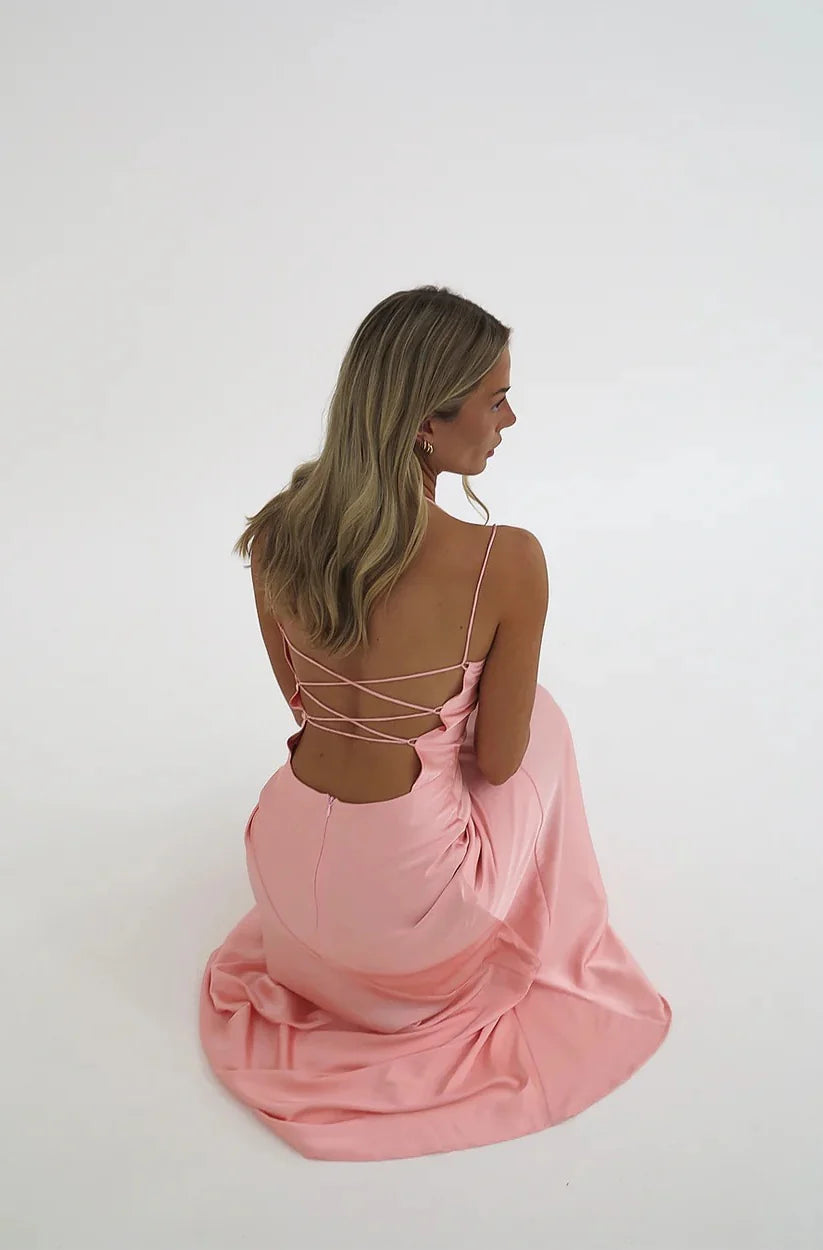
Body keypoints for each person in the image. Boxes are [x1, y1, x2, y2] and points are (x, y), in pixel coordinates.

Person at [199, 284, 672, 1161]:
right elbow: (501, 762)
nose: (510, 420)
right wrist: (448, 718)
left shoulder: (276, 533)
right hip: (406, 929)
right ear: (427, 420)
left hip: (286, 874)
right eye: (495, 400)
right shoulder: (506, 560)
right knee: (545, 723)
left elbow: (300, 702)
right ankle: (534, 932)